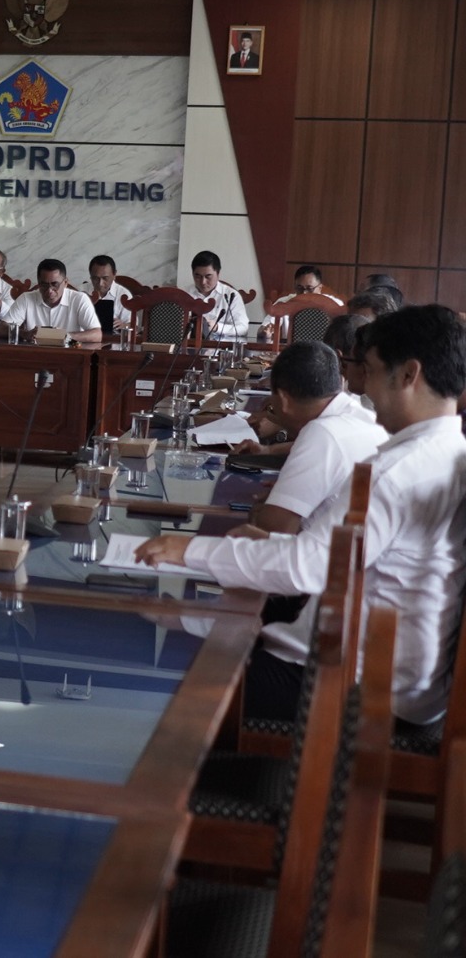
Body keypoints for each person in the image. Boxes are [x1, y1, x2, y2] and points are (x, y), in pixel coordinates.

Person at [136, 305, 466, 726]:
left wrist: (188, 551)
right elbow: (339, 558)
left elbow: (307, 569)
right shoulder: (449, 452)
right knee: (217, 627)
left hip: (356, 687)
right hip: (411, 683)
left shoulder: (395, 472)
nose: (363, 387)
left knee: (174, 692)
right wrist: (272, 544)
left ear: (408, 375)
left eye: (369, 371)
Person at [227, 342, 386, 536]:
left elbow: (270, 531)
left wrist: (262, 511)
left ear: (283, 400)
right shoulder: (364, 418)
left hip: (330, 552)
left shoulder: (322, 433)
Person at [0, 259, 101, 342]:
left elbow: (97, 335)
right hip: (35, 355)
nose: (50, 290)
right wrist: (24, 334)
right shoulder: (26, 298)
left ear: (65, 282)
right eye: (44, 285)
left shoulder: (79, 299)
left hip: (69, 355)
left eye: (55, 284)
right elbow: (1, 329)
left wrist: (65, 336)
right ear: (38, 283)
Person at [185, 250, 250, 340]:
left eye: (208, 276)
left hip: (221, 347)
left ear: (218, 274)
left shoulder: (231, 296)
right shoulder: (183, 294)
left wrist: (217, 327)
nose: (203, 282)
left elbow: (243, 328)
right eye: (198, 276)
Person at [86, 254, 134, 333]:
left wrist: (123, 325)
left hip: (114, 338)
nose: (100, 283)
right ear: (90, 276)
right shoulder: (81, 291)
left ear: (114, 274)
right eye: (95, 278)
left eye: (105, 278)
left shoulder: (124, 294)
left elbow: (134, 326)